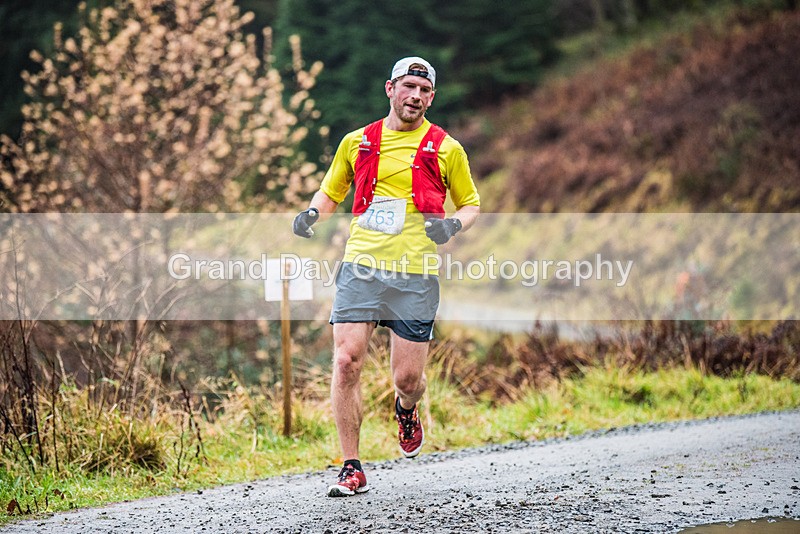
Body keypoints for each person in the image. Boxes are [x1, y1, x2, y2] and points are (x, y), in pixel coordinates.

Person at [292, 56, 480, 497]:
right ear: (389, 89)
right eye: (408, 87)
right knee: (345, 360)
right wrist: (312, 213)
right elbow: (332, 190)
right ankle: (351, 466)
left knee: (407, 380)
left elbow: (470, 204)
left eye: (425, 91)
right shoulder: (357, 142)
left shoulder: (447, 148)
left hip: (415, 273)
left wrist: (452, 225)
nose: (416, 96)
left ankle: (406, 408)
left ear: (431, 98)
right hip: (361, 266)